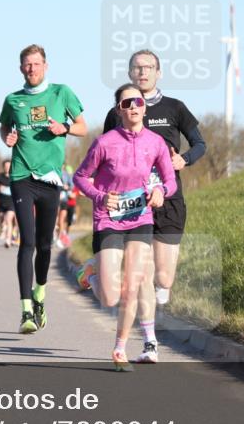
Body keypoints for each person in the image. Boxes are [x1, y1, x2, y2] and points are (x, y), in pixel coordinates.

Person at [79, 50, 206, 307]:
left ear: (159, 73)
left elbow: (200, 144)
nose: (143, 72)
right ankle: (146, 331)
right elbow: (104, 155)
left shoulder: (175, 107)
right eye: (137, 68)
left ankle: (96, 267)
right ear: (129, 74)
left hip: (166, 197)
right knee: (133, 276)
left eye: (148, 67)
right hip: (129, 200)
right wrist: (102, 195)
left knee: (164, 279)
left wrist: (185, 159)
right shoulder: (117, 113)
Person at [74, 83, 176, 370]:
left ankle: (119, 348)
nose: (133, 107)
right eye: (127, 103)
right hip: (108, 220)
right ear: (119, 110)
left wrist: (160, 193)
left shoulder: (155, 142)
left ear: (144, 107)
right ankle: (89, 273)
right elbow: (81, 177)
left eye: (138, 102)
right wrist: (100, 196)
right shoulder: (105, 142)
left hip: (141, 218)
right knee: (109, 296)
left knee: (133, 284)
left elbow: (170, 180)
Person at [0, 44, 86, 333]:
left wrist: (65, 128)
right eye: (27, 64)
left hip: (51, 179)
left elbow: (83, 127)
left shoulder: (62, 93)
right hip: (22, 176)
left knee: (46, 245)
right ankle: (25, 311)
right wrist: (7, 139)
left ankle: (40, 293)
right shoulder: (13, 100)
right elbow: (3, 127)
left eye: (36, 64)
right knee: (28, 241)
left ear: (45, 66)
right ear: (21, 68)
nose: (31, 69)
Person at [0, 159, 16, 248]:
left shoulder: (14, 176)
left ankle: (8, 240)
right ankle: (2, 229)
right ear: (3, 167)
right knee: (2, 219)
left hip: (12, 202)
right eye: (6, 166)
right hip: (1, 202)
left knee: (8, 220)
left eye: (9, 166)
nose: (7, 168)